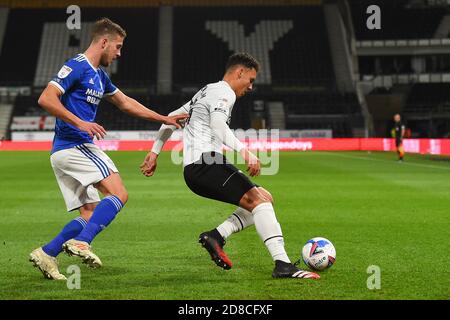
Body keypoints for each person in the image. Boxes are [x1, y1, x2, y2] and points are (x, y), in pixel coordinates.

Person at [29, 18, 188, 280]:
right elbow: (46, 98)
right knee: (119, 193)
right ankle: (82, 243)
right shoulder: (77, 66)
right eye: (118, 46)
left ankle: (47, 254)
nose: (119, 53)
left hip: (64, 152)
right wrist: (81, 122)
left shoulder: (100, 76)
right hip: (75, 145)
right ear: (104, 42)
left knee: (90, 213)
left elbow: (125, 103)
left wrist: (164, 118)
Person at [140, 52, 320, 279]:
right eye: (251, 80)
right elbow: (217, 124)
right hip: (205, 163)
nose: (251, 86)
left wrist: (154, 151)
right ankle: (282, 264)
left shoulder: (206, 91)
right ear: (240, 72)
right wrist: (246, 153)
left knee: (265, 197)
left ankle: (217, 235)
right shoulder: (224, 92)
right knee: (259, 201)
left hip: (197, 168)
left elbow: (171, 117)